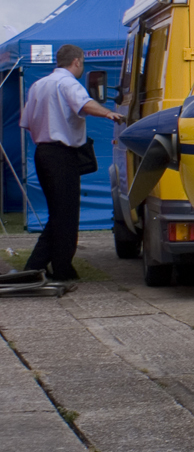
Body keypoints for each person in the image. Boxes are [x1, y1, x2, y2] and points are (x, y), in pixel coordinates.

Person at [21, 45, 124, 281]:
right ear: (77, 62)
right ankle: (37, 267)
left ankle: (60, 266)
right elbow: (84, 104)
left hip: (42, 152)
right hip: (62, 154)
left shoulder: (38, 85)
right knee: (65, 215)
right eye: (83, 62)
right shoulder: (68, 84)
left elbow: (26, 121)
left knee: (58, 213)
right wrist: (108, 113)